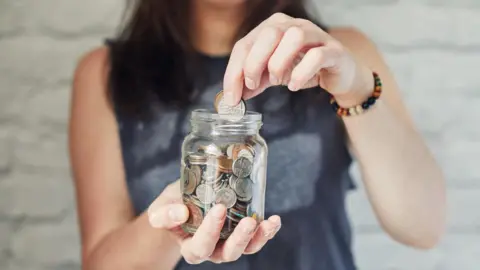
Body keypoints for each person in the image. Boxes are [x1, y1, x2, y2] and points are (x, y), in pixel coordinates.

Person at [68, 0, 447, 269]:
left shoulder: (344, 52)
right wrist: (176, 221)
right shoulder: (104, 74)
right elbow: (101, 264)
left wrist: (355, 86)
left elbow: (424, 227)